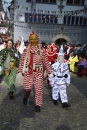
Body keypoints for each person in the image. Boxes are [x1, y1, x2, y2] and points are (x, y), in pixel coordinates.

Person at [18, 32, 52, 112]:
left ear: (38, 40)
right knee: (27, 88)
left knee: (38, 89)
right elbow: (22, 61)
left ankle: (38, 104)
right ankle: (25, 96)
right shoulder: (26, 50)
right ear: (30, 40)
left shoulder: (42, 50)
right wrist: (20, 71)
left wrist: (50, 72)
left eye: (35, 39)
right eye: (32, 39)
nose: (34, 41)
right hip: (28, 72)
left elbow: (46, 62)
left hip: (38, 72)